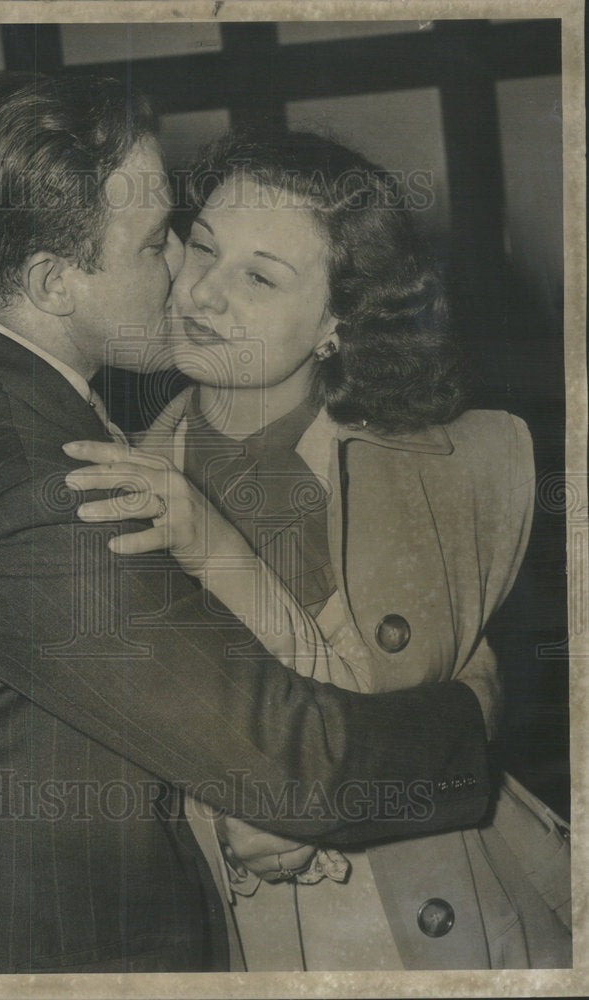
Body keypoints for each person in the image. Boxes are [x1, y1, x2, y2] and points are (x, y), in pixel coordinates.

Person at [0, 74, 495, 975]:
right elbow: (293, 767)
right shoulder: (40, 487)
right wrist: (481, 719)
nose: (184, 271)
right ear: (54, 283)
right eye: (156, 244)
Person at [64, 129, 572, 968]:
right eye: (201, 248)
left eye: (258, 277)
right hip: (237, 932)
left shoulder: (437, 462)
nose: (201, 296)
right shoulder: (119, 470)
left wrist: (209, 540)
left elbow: (397, 723)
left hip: (451, 914)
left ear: (339, 321)